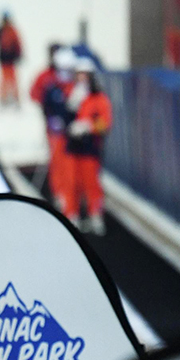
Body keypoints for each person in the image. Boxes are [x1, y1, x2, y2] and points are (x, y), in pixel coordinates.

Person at [63, 57, 112, 234]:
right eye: (79, 75)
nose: (82, 78)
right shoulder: (70, 93)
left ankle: (95, 215)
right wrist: (70, 108)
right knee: (71, 183)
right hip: (73, 146)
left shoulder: (99, 98)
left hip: (90, 147)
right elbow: (62, 118)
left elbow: (105, 122)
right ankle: (71, 215)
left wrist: (89, 127)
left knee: (91, 184)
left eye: (85, 75)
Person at [30, 45, 75, 210]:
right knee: (58, 162)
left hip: (71, 131)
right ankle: (59, 195)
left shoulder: (74, 83)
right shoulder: (46, 79)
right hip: (54, 129)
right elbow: (35, 94)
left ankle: (72, 200)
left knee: (71, 166)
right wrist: (49, 112)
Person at [0, 11, 23, 107]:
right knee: (4, 80)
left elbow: (18, 44)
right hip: (3, 60)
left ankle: (15, 99)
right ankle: (3, 99)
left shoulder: (13, 31)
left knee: (13, 80)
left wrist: (19, 55)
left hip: (11, 61)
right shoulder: (0, 31)